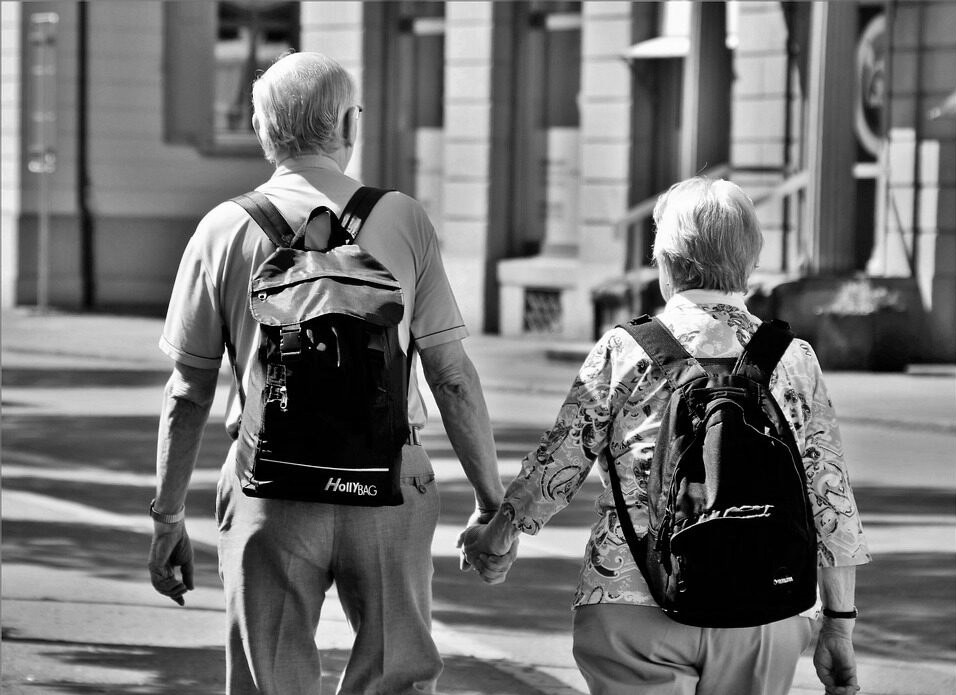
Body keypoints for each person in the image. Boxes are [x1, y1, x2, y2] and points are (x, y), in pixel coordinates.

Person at [147, 51, 506, 695]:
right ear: (348, 125)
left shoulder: (221, 229)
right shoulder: (403, 220)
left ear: (262, 130)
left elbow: (187, 394)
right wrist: (490, 503)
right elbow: (451, 376)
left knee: (271, 678)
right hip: (390, 485)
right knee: (395, 675)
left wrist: (168, 518)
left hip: (270, 488)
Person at [463, 177, 871, 695]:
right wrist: (839, 620)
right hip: (766, 610)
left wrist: (497, 535)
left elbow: (560, 462)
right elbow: (830, 497)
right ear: (750, 260)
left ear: (666, 261)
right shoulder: (794, 359)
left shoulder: (625, 349)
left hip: (631, 601)